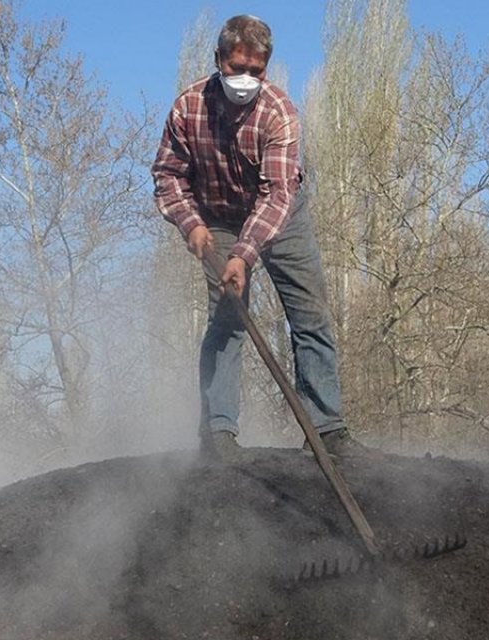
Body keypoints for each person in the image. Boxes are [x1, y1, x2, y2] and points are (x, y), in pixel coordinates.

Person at [152, 14, 372, 461]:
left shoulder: (279, 112)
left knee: (310, 314)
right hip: (215, 216)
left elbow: (276, 197)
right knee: (228, 316)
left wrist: (244, 255)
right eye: (237, 69)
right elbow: (168, 176)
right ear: (218, 60)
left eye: (256, 71)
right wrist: (189, 223)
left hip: (282, 214)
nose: (246, 80)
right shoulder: (187, 107)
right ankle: (218, 432)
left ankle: (327, 429)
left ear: (266, 69)